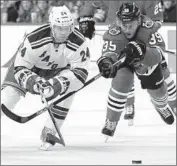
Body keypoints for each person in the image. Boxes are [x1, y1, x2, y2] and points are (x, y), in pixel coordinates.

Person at [1, 5, 90, 150]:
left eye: (67, 27)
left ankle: (50, 130)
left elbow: (81, 73)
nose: (64, 32)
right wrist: (35, 83)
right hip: (30, 68)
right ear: (51, 26)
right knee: (6, 98)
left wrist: (58, 84)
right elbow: (19, 68)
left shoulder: (78, 41)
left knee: (69, 92)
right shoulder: (34, 39)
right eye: (59, 28)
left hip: (58, 70)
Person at [97, 3, 175, 138]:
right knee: (122, 82)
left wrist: (143, 52)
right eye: (124, 25)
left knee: (158, 91)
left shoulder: (149, 28)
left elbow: (159, 54)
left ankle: (161, 105)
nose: (127, 29)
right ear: (118, 22)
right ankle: (111, 120)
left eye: (130, 25)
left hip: (145, 61)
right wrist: (107, 62)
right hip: (124, 60)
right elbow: (108, 53)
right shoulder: (114, 32)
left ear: (138, 21)